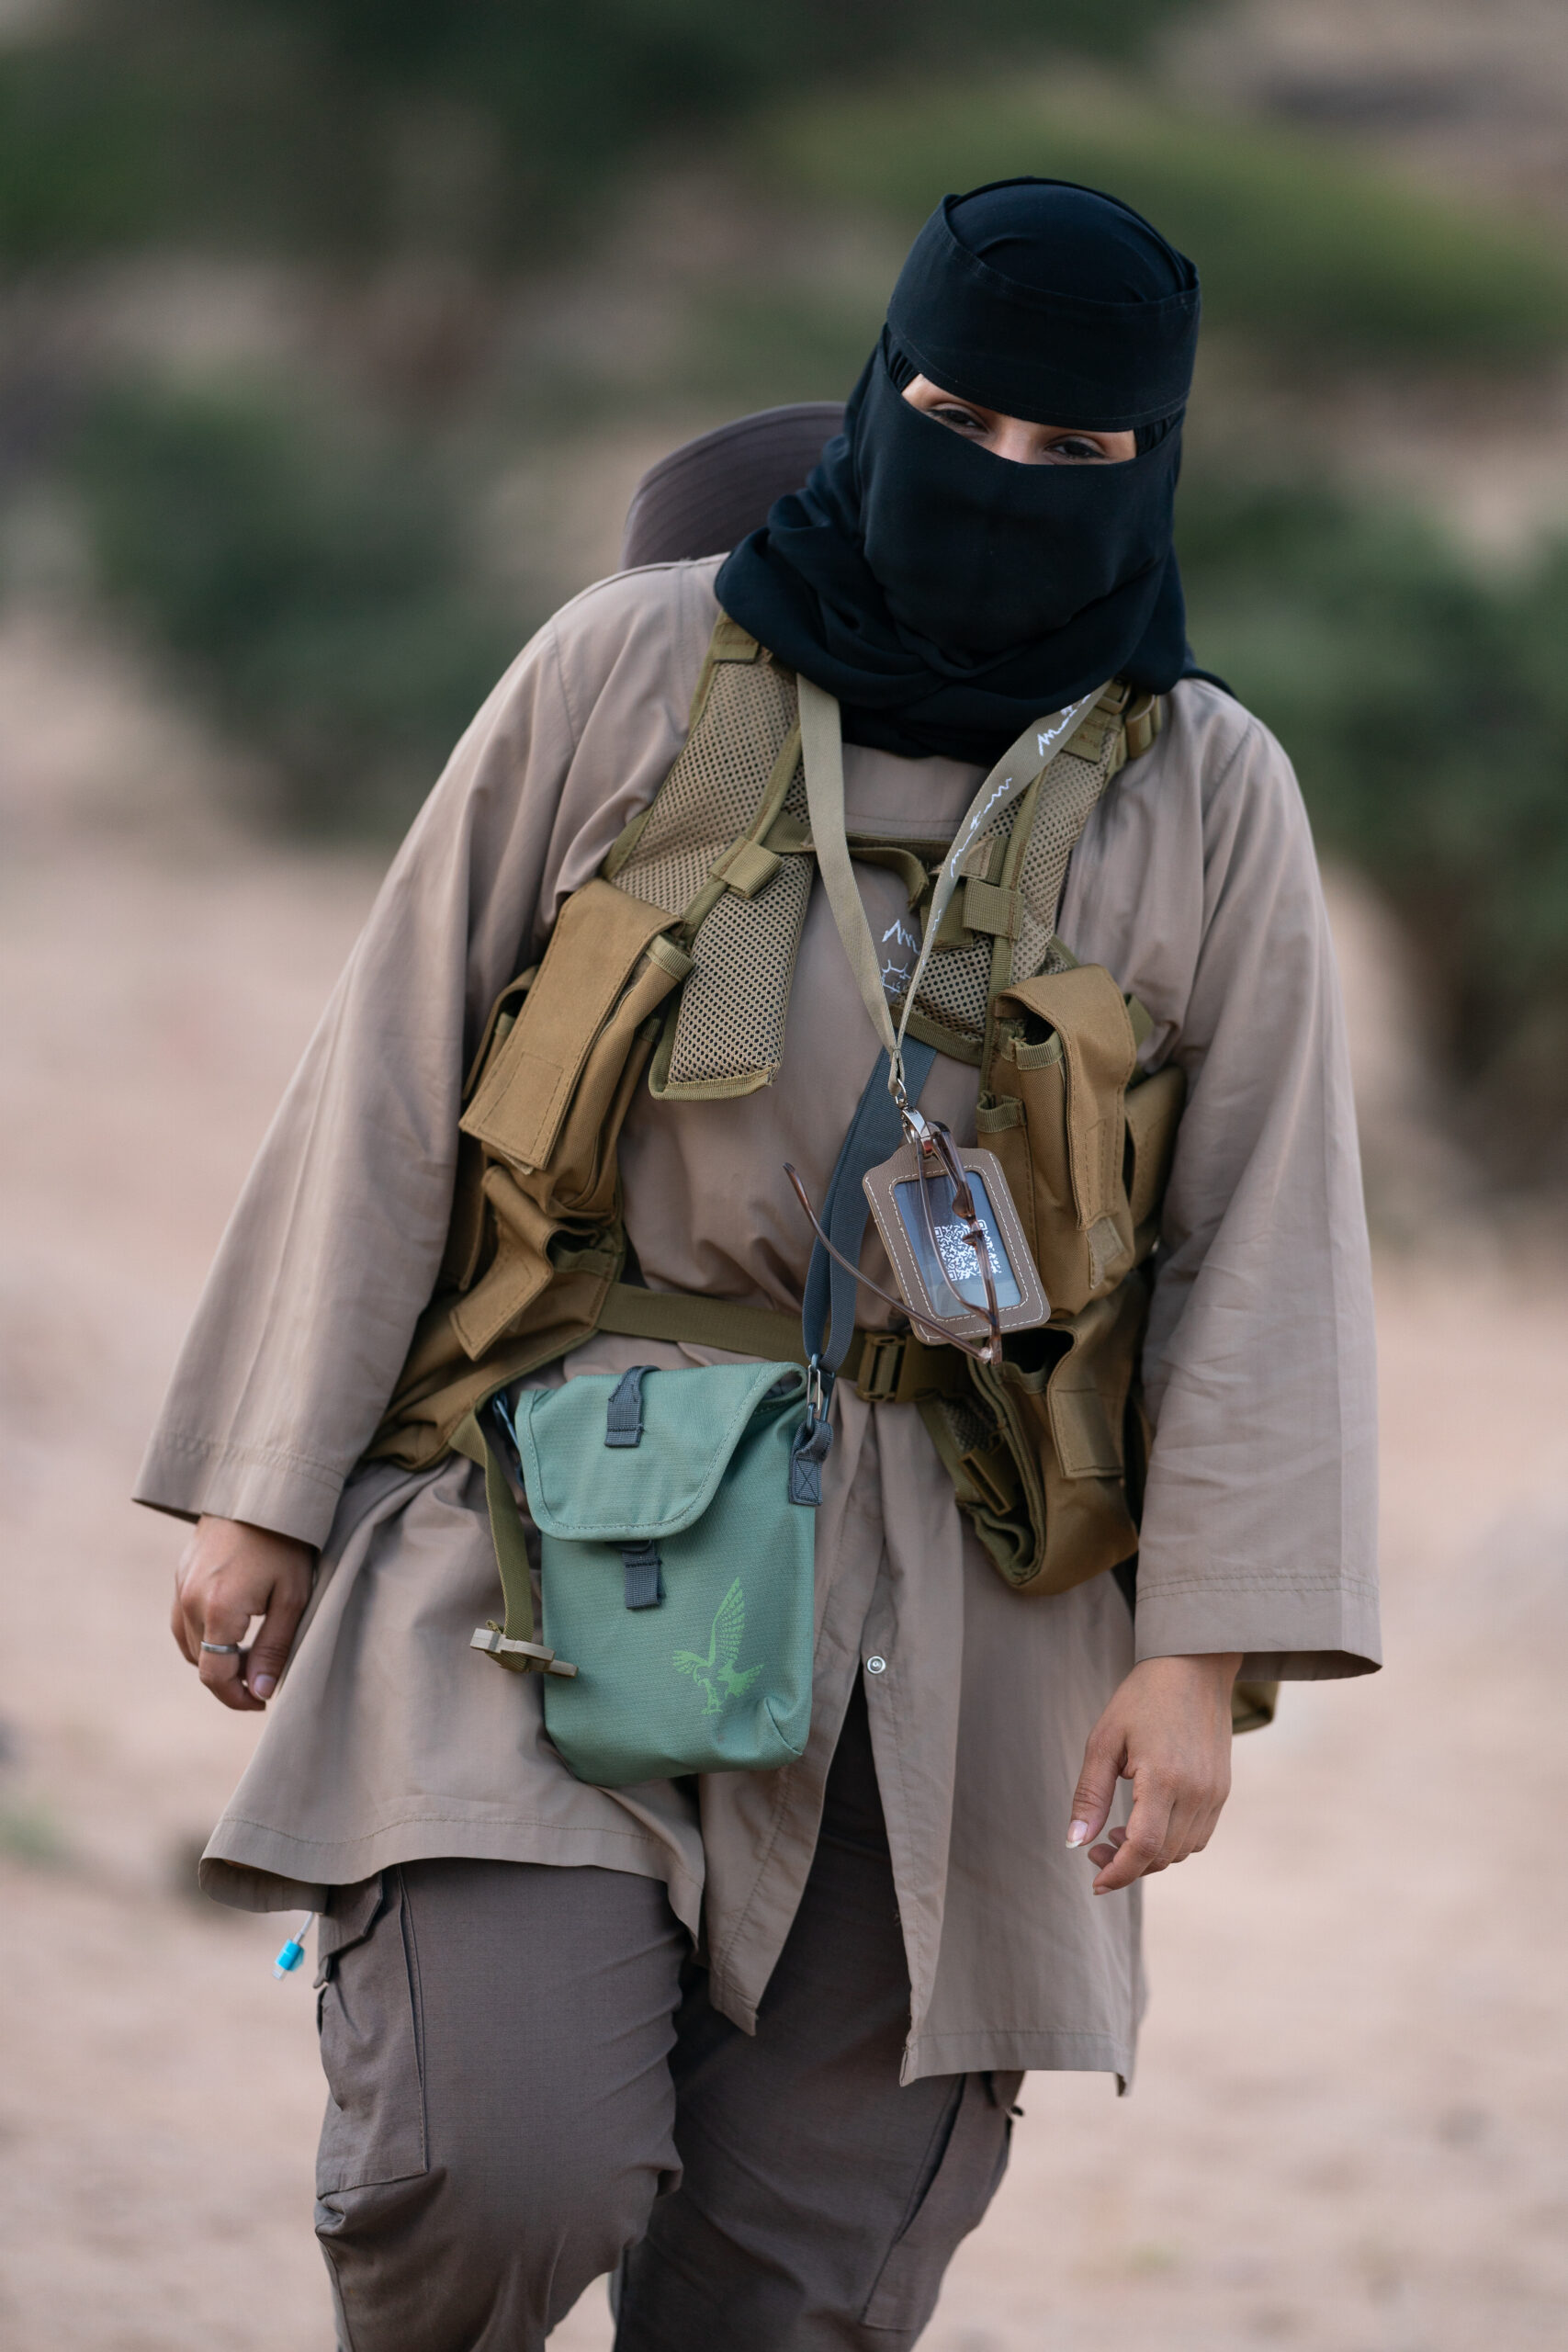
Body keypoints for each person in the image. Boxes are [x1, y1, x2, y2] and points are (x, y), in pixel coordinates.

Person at [141, 179, 1379, 2351]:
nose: (1006, 477)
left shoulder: (1204, 783)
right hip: (552, 1507)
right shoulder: (623, 665)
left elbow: (1264, 1237)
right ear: (879, 390)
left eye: (1075, 449)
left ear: (1151, 461)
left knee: (787, 2287)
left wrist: (1199, 1656)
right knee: (495, 2158)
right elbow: (387, 1069)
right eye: (959, 418)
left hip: (963, 1609)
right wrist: (266, 1485)